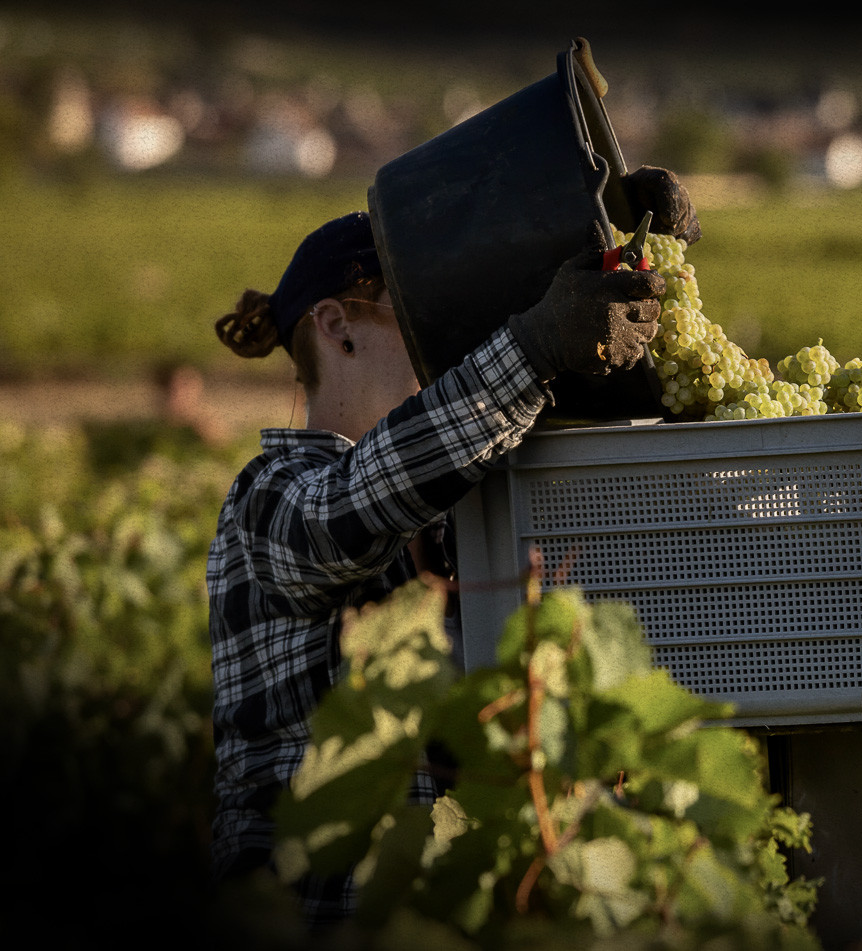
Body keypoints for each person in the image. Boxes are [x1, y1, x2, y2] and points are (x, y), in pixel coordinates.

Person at [206, 179, 693, 926]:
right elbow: (354, 508)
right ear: (337, 325)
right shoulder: (269, 497)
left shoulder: (469, 497)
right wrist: (530, 347)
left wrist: (641, 255)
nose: (452, 337)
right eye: (423, 311)